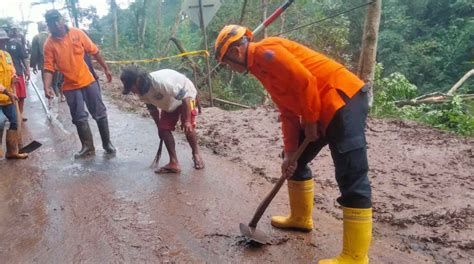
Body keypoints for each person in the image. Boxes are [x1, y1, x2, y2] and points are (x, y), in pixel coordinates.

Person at [215, 25, 372, 264]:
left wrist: (310, 120)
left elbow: (306, 80)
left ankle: (355, 257)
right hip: (318, 108)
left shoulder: (268, 52)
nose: (232, 70)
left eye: (228, 63)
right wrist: (290, 153)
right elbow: (287, 110)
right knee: (294, 162)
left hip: (342, 99)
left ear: (236, 51)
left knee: (351, 175)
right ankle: (301, 219)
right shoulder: (260, 69)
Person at [42, 9, 116, 158]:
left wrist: (106, 68)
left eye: (58, 20)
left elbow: (94, 51)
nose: (56, 24)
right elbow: (48, 68)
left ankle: (107, 143)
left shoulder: (77, 33)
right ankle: (87, 147)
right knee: (78, 117)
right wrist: (47, 86)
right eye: (52, 23)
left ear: (62, 20)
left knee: (99, 112)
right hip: (69, 86)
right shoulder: (49, 44)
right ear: (49, 25)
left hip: (88, 81)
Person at [120, 66, 205, 173]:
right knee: (164, 129)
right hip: (169, 103)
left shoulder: (160, 83)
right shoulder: (141, 92)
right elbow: (152, 109)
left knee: (188, 126)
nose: (133, 92)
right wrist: (159, 126)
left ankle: (196, 154)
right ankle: (174, 162)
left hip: (186, 96)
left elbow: (186, 98)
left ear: (137, 81)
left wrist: (187, 120)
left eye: (132, 88)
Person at [0, 28, 27, 159]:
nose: (2, 44)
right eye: (0, 41)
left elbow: (12, 70)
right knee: (0, 121)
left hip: (8, 96)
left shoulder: (6, 55)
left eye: (4, 41)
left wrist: (14, 77)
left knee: (15, 121)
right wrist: (6, 91)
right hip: (4, 94)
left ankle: (11, 151)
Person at [6, 23, 29, 121]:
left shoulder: (18, 43)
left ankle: (20, 113)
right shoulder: (5, 45)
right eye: (13, 30)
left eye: (16, 30)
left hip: (18, 72)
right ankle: (13, 115)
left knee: (21, 95)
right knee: (7, 96)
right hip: (5, 74)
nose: (14, 32)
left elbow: (24, 57)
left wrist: (27, 70)